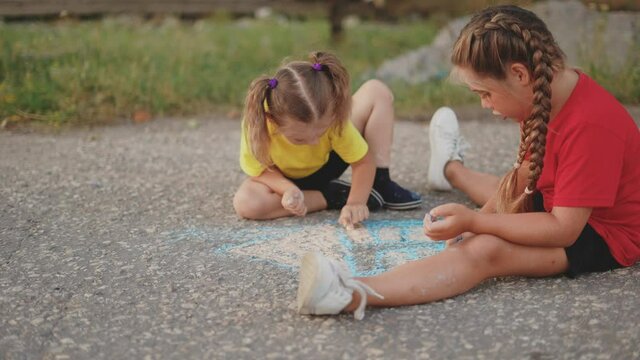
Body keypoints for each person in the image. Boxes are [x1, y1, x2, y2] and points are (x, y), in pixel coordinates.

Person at [296, 5, 640, 320]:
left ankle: (347, 292)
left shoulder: (590, 125)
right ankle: (450, 169)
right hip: (568, 206)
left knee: (485, 250)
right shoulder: (545, 88)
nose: (486, 105)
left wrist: (476, 223)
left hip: (605, 233)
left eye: (485, 94)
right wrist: (489, 213)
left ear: (519, 74)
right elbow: (523, 175)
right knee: (506, 192)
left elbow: (564, 228)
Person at [233, 51, 422, 229]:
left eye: (321, 132)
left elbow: (363, 161)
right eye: (299, 139)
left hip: (329, 163)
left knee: (376, 90)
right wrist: (288, 190)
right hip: (284, 177)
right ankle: (331, 196)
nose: (314, 142)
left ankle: (378, 183)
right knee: (246, 203)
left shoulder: (332, 117)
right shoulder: (257, 123)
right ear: (272, 120)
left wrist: (356, 203)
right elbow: (258, 171)